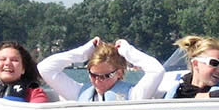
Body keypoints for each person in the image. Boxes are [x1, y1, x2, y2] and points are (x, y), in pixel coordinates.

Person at [38, 36, 166, 101]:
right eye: (93, 75)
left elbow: (157, 70)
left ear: (119, 73)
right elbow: (45, 68)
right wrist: (82, 53)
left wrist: (128, 51)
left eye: (106, 76)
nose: (98, 81)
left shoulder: (134, 95)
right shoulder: (78, 93)